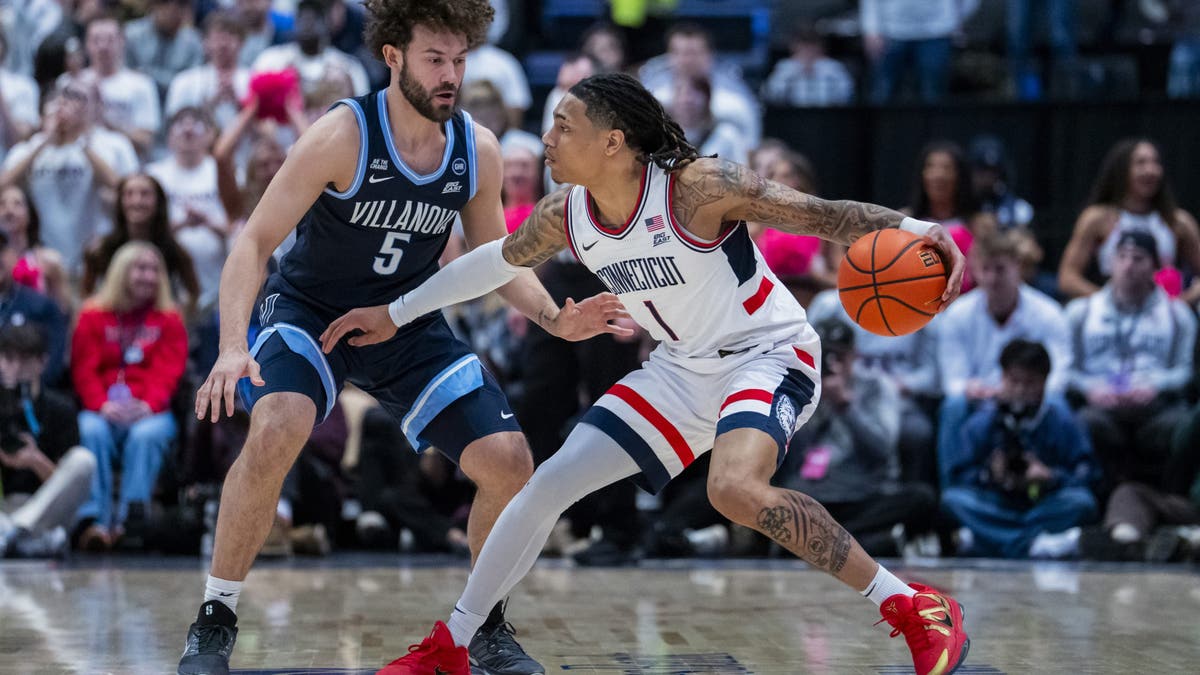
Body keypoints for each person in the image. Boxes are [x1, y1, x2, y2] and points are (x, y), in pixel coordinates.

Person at [322, 71, 970, 675]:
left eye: (563, 125)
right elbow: (493, 262)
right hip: (679, 369)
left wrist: (914, 228)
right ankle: (454, 646)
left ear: (612, 141)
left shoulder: (698, 188)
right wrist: (396, 310)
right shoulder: (566, 214)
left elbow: (820, 214)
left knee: (733, 490)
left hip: (766, 352)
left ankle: (913, 605)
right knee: (548, 484)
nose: (547, 138)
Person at [177, 3, 625, 674]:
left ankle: (484, 624)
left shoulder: (478, 147)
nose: (450, 76)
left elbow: (493, 256)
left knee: (509, 461)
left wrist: (555, 316)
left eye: (459, 61)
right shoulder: (342, 134)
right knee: (279, 424)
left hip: (404, 319)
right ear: (393, 56)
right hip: (309, 310)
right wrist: (232, 344)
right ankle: (215, 616)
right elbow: (255, 240)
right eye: (434, 60)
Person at [780, 319, 937, 556]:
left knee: (921, 498)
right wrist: (817, 402)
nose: (832, 363)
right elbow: (792, 451)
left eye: (839, 356)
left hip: (866, 490)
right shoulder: (804, 386)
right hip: (818, 493)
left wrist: (845, 406)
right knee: (775, 500)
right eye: (826, 355)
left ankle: (817, 543)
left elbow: (882, 448)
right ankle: (864, 543)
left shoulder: (876, 386)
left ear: (854, 356)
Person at [72, 241, 188, 551]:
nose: (148, 276)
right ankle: (94, 521)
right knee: (89, 428)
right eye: (140, 268)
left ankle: (130, 522)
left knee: (146, 435)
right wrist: (102, 405)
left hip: (150, 411)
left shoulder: (170, 318)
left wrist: (148, 405)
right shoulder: (92, 315)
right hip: (103, 408)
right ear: (121, 271)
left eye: (154, 270)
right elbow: (84, 370)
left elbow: (170, 371)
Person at [1065, 230, 1196, 497]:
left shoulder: (1177, 314)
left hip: (1156, 409)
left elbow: (1187, 371)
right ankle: (1091, 498)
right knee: (1077, 422)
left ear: (1155, 266)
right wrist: (1091, 389)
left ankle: (1174, 498)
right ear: (1110, 263)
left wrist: (1156, 386)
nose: (1128, 265)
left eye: (1138, 258)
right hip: (1100, 406)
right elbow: (1065, 370)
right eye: (1122, 257)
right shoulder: (1081, 312)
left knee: (1187, 425)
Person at [941, 339, 1098, 559]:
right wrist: (989, 475)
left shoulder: (1063, 421)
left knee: (1081, 503)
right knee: (953, 500)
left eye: (1030, 383)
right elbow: (959, 475)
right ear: (1002, 378)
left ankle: (990, 541)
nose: (1020, 390)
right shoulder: (981, 422)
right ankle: (1036, 545)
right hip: (996, 502)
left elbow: (1087, 473)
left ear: (1044, 383)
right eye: (1013, 381)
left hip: (1043, 503)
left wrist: (1050, 476)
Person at [1058, 138, 1200, 305]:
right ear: (1121, 170)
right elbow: (1067, 277)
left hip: (1164, 316)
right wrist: (1108, 303)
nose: (1151, 170)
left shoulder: (1178, 221)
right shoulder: (1097, 218)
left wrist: (1182, 303)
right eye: (1141, 163)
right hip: (1111, 313)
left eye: (1155, 163)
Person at [0, 323, 94, 559]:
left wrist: (35, 461)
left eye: (25, 360)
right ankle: (28, 541)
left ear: (42, 362)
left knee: (83, 460)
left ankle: (18, 532)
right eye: (9, 358)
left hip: (46, 510)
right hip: (3, 508)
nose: (16, 368)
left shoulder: (60, 409)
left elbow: (70, 483)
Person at [81, 173, 202, 317]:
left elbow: (193, 293)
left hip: (159, 333)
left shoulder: (174, 251)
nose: (137, 201)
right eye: (129, 194)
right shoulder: (100, 249)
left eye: (145, 194)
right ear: (120, 201)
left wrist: (178, 320)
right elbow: (86, 295)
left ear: (158, 202)